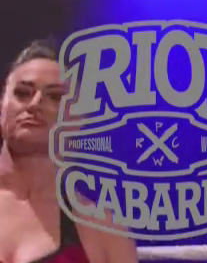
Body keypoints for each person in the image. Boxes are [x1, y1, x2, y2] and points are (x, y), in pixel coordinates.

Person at [0, 43, 136, 263]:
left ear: (76, 121)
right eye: (23, 93)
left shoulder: (103, 229)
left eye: (55, 97)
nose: (35, 104)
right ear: (2, 108)